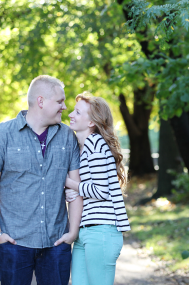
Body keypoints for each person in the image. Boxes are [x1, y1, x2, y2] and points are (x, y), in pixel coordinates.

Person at [0, 75, 83, 285]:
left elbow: (75, 189)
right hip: (14, 244)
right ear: (41, 101)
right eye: (60, 101)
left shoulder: (67, 137)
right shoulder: (1, 135)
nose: (64, 107)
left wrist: (72, 233)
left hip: (56, 243)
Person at [64, 92, 131, 285]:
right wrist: (76, 190)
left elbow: (101, 191)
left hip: (101, 232)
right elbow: (89, 188)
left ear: (91, 122)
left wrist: (69, 183)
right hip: (85, 231)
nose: (70, 114)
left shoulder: (95, 144)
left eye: (77, 112)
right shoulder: (83, 148)